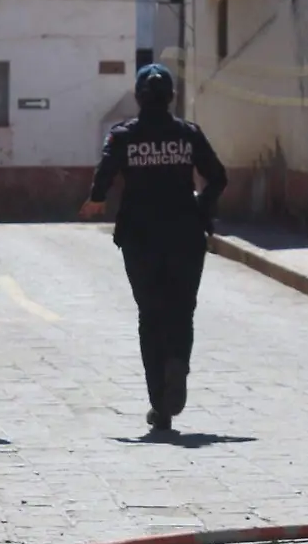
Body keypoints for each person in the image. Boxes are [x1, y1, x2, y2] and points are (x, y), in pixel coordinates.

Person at [79, 63, 228, 432]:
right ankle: (177, 364)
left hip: (141, 237)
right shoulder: (188, 134)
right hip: (185, 234)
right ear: (172, 97)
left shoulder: (124, 135)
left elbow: (105, 175)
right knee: (181, 311)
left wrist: (96, 199)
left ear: (138, 97)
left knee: (151, 315)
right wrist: (202, 208)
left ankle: (159, 404)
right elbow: (218, 177)